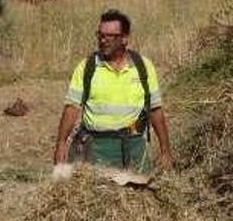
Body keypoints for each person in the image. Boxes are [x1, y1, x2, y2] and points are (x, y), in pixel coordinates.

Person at [53, 9, 171, 173]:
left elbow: (155, 110)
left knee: (139, 195)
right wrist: (61, 144)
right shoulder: (87, 67)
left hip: (133, 145)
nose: (103, 40)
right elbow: (71, 109)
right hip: (94, 147)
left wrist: (165, 150)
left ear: (125, 39)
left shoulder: (144, 67)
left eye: (110, 36)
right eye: (100, 35)